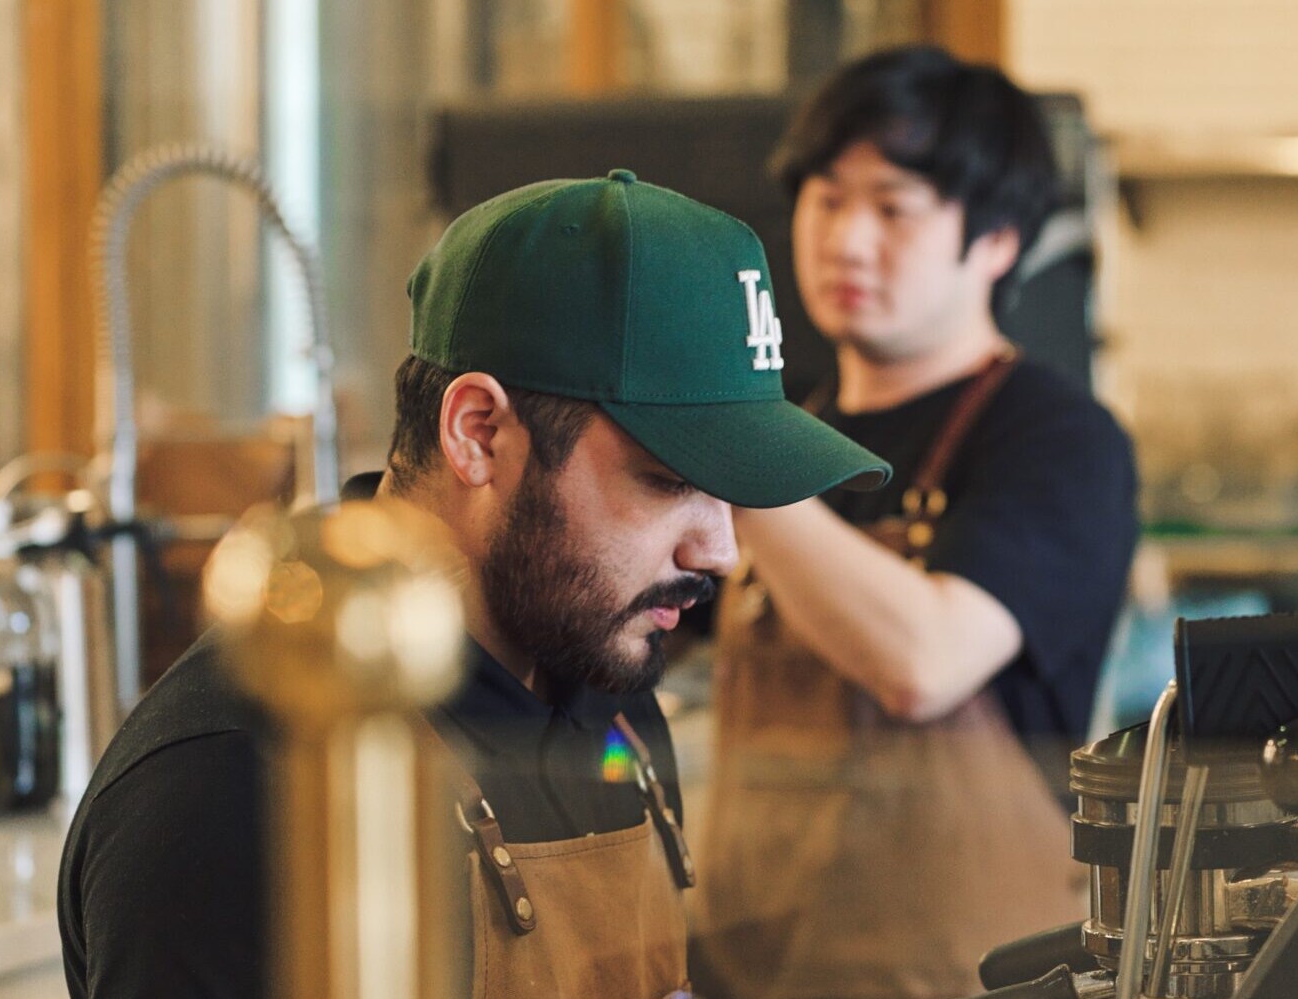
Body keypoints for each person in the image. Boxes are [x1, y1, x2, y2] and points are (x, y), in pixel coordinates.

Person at [57, 169, 889, 999]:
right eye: (668, 482)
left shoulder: (609, 686)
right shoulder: (231, 790)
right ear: (478, 433)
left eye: (729, 492)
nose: (720, 552)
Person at [690, 46, 1139, 999]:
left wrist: (737, 450)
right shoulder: (796, 432)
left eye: (893, 208)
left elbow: (924, 662)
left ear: (997, 241)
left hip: (969, 977)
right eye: (826, 196)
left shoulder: (1059, 437)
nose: (847, 240)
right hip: (753, 969)